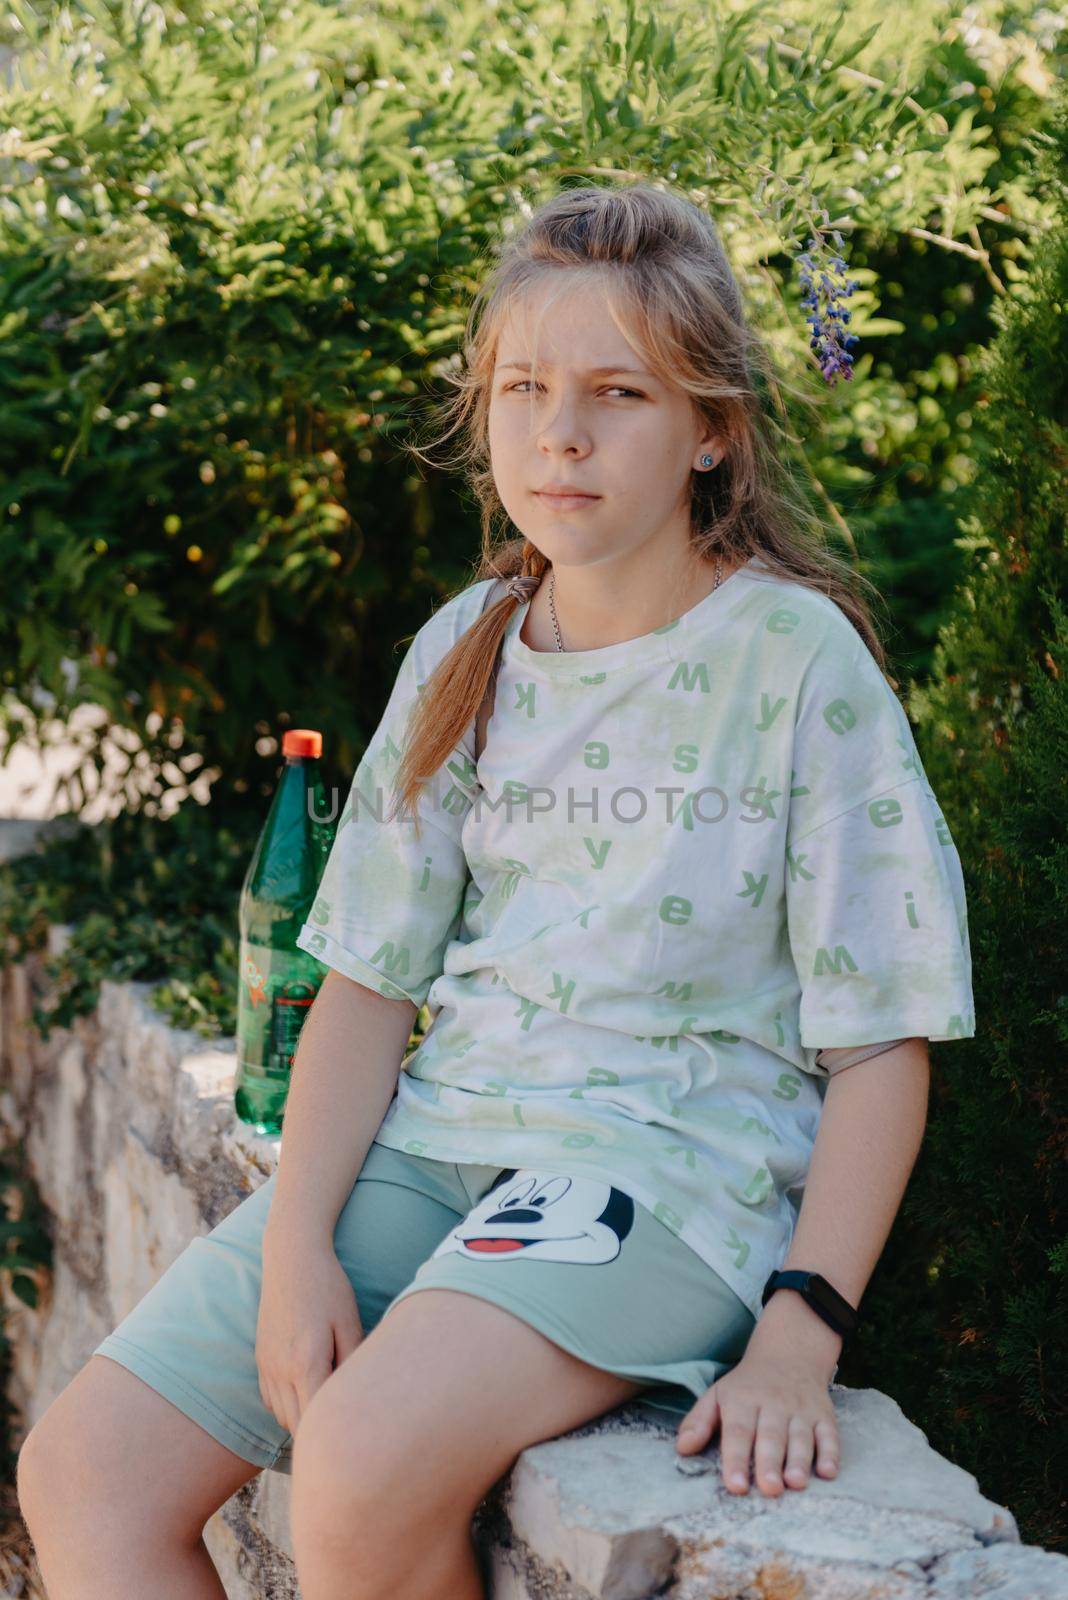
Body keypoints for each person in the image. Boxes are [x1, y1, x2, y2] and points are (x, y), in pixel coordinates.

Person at [18, 182, 974, 1600]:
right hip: (438, 1148)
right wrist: (295, 1257)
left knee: (356, 1464)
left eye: (617, 393)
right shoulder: (470, 641)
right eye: (522, 388)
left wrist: (801, 1330)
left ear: (712, 428)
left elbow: (883, 1038)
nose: (560, 433)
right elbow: (366, 984)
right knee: (85, 1469)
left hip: (654, 1175)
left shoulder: (794, 663)